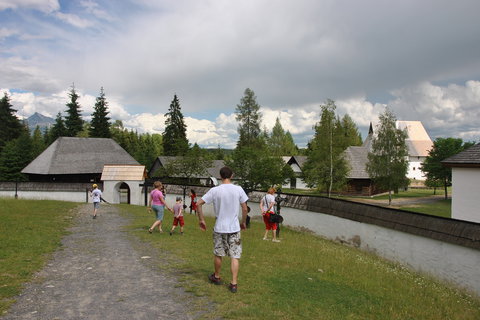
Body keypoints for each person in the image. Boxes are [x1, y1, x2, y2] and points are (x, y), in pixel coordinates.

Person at [197, 166, 248, 293]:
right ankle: (234, 283)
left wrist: (202, 220)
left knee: (219, 253)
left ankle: (217, 276)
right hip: (234, 228)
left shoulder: (215, 190)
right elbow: (245, 208)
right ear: (232, 176)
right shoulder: (238, 189)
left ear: (220, 176)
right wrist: (243, 222)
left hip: (219, 227)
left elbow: (198, 204)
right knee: (235, 255)